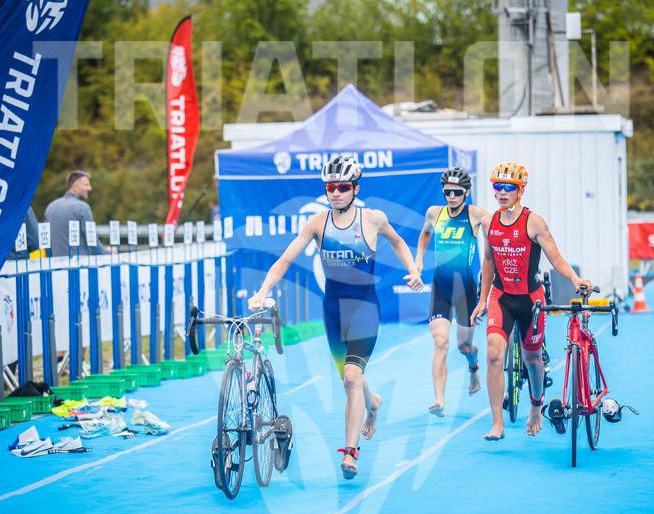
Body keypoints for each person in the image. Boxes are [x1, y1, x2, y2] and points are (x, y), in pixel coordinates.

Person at [247, 156, 423, 479]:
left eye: (342, 187)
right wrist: (263, 290)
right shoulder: (317, 223)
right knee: (349, 379)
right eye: (331, 187)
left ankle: (351, 452)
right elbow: (285, 259)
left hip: (365, 308)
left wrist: (413, 269)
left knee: (352, 378)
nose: (336, 193)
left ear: (356, 189)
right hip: (333, 311)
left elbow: (398, 242)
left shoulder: (373, 219)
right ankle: (373, 402)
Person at [470, 162, 591, 440]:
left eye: (508, 187)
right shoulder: (488, 222)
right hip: (502, 297)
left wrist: (575, 280)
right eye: (498, 187)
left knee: (532, 358)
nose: (502, 192)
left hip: (530, 300)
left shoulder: (533, 222)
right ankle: (497, 423)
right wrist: (482, 300)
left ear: (520, 190)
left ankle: (536, 407)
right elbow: (488, 261)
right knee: (493, 354)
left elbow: (556, 258)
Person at [414, 167, 484, 417]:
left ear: (467, 193)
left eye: (457, 192)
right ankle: (440, 400)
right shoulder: (435, 212)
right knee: (440, 342)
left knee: (464, 346)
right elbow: (425, 234)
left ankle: (473, 367)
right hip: (441, 288)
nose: (452, 196)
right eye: (447, 192)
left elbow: (498, 231)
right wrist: (418, 260)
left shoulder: (475, 214)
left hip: (466, 291)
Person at [44, 170, 107, 257]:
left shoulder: (51, 207)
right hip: (80, 264)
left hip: (56, 264)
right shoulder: (82, 207)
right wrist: (109, 255)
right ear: (75, 187)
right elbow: (92, 241)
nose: (90, 188)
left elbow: (47, 243)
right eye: (86, 185)